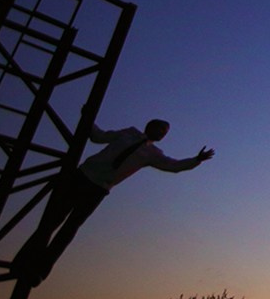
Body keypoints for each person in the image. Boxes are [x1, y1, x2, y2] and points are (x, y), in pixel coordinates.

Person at [15, 118, 214, 285]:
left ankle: (40, 270)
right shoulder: (128, 133)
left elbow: (174, 166)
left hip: (98, 188)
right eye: (160, 128)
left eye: (165, 132)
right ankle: (22, 261)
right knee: (52, 220)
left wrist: (196, 160)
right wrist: (88, 118)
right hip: (82, 176)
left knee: (70, 228)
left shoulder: (153, 154)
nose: (162, 133)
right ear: (149, 126)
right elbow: (98, 136)